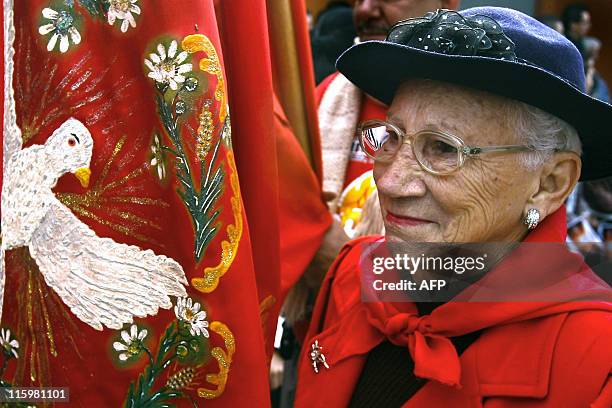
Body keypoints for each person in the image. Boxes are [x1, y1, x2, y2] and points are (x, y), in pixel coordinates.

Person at [295, 7, 612, 407]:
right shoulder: (351, 276)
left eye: (444, 148)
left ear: (549, 183)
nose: (390, 182)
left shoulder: (595, 360)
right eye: (390, 136)